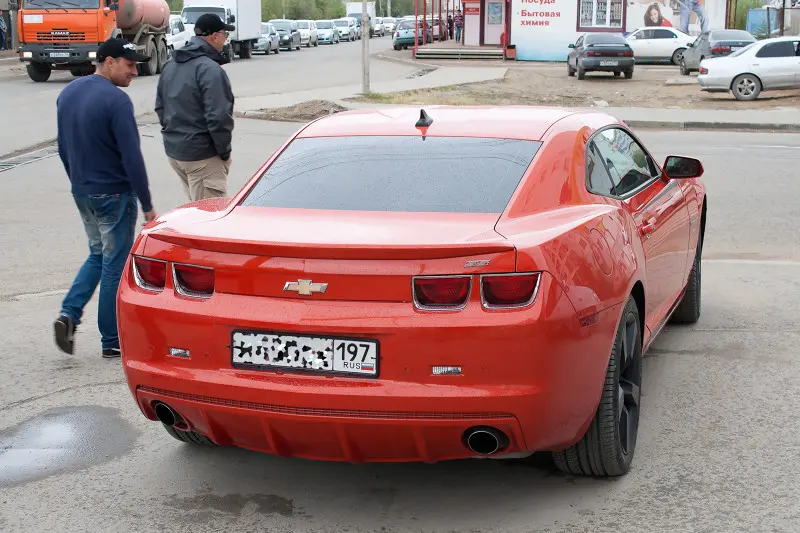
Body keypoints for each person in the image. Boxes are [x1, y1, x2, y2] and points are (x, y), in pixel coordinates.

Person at [54, 38, 157, 359]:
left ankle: (69, 314)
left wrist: (78, 181)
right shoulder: (116, 101)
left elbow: (63, 146)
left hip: (83, 189)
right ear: (108, 62)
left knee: (98, 254)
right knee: (114, 263)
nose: (134, 73)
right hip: (114, 192)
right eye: (129, 66)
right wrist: (148, 204)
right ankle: (112, 339)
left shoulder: (68, 93)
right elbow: (132, 157)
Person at [156, 13, 235, 202]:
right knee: (209, 218)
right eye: (225, 35)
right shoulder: (210, 70)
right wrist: (224, 152)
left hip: (177, 153)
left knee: (196, 211)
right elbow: (219, 117)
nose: (226, 40)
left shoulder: (171, 65)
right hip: (202, 156)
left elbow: (160, 107)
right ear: (214, 36)